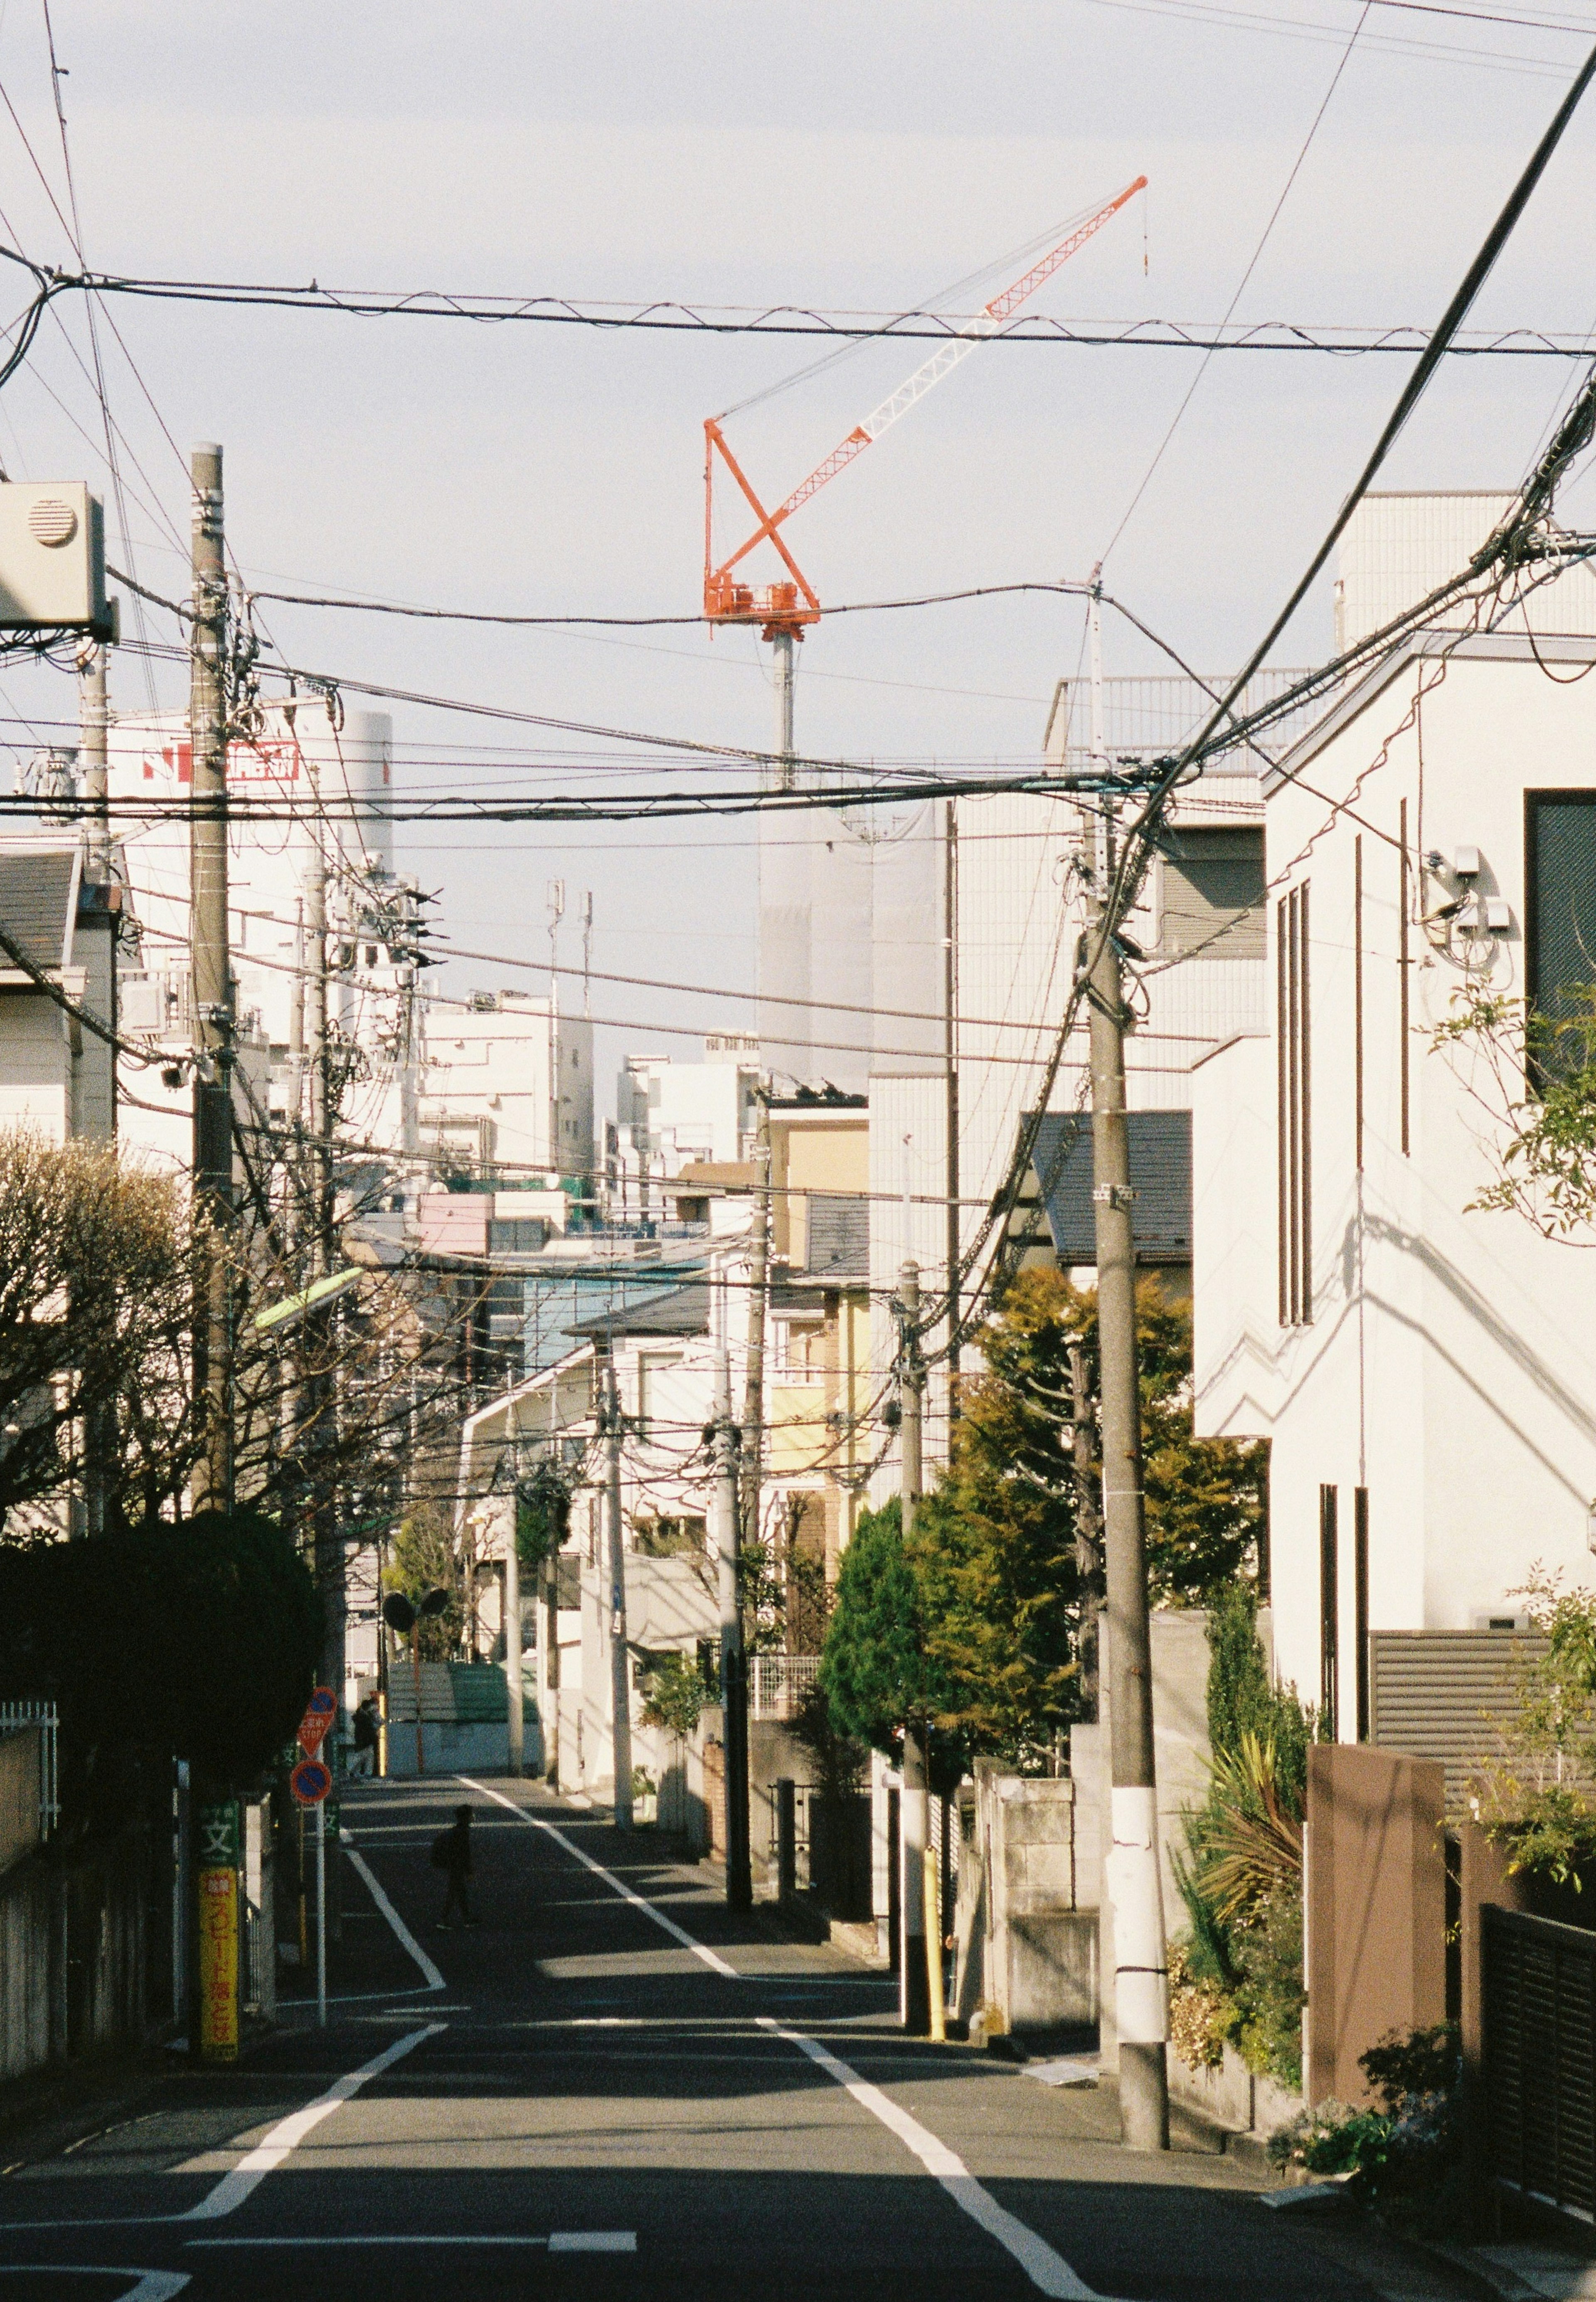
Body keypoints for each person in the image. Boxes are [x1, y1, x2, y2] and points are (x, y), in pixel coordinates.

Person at [431, 1803, 475, 1927]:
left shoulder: (457, 1830)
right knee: (454, 1893)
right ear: (467, 1817)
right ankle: (443, 1920)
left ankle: (467, 1919)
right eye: (471, 1814)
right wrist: (470, 1871)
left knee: (460, 1892)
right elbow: (465, 1853)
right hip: (457, 1866)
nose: (473, 1817)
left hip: (453, 1864)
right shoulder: (463, 1832)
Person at [350, 1695, 379, 1779]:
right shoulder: (364, 1717)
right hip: (365, 1740)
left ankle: (358, 1773)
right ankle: (354, 1772)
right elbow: (375, 1725)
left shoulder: (361, 1715)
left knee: (365, 1756)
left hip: (364, 1740)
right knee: (362, 1757)